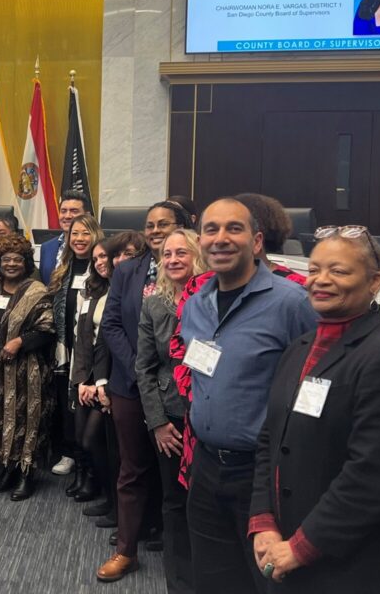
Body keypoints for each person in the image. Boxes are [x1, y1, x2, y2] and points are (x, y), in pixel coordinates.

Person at [249, 226, 380, 593]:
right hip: (287, 548)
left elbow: (372, 474)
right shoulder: (300, 347)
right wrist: (262, 521)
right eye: (315, 269)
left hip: (360, 563)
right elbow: (270, 439)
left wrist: (301, 547)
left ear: (375, 282)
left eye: (339, 271)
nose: (320, 280)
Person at [180, 198, 316, 594]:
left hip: (261, 475)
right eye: (211, 229)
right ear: (201, 240)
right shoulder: (196, 304)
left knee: (268, 583)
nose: (221, 239)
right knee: (212, 579)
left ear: (257, 242)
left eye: (233, 229)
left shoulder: (292, 303)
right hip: (204, 467)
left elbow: (316, 383)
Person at [96, 201, 191, 582]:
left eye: (163, 224)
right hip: (131, 387)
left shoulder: (198, 275)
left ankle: (179, 552)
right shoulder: (127, 271)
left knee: (176, 475)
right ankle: (126, 551)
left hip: (182, 391)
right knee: (131, 469)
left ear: (183, 228)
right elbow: (112, 324)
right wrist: (140, 370)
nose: (154, 230)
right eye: (149, 225)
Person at [135, 228, 208, 594]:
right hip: (172, 417)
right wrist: (158, 423)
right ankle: (179, 582)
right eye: (168, 254)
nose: (174, 259)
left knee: (206, 501)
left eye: (183, 252)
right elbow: (144, 368)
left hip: (210, 417)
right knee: (174, 501)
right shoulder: (154, 303)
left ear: (198, 256)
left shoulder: (214, 299)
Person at [0, 233, 56, 501]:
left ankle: (26, 474)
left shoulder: (36, 291)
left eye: (17, 259)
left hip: (26, 372)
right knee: (0, 419)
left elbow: (47, 330)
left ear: (26, 262)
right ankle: (8, 468)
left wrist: (20, 341)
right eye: (5, 259)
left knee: (26, 421)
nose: (11, 264)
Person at [48, 213, 104, 490]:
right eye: (74, 234)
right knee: (65, 404)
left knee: (85, 408)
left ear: (95, 236)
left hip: (92, 352)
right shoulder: (62, 270)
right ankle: (71, 454)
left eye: (85, 233)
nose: (79, 239)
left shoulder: (103, 270)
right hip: (63, 350)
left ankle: (89, 468)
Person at [70, 241, 115, 521]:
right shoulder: (91, 290)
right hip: (86, 376)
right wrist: (81, 380)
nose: (100, 262)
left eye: (105, 256)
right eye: (96, 257)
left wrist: (101, 381)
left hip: (110, 378)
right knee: (84, 440)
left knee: (97, 440)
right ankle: (109, 497)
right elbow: (82, 339)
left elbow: (109, 344)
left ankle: (116, 501)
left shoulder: (123, 291)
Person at [234, 193, 306, 285]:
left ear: (257, 240)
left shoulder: (297, 287)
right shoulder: (211, 280)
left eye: (235, 229)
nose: (220, 238)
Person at [39, 189, 94, 285]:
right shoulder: (46, 248)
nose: (67, 216)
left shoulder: (97, 246)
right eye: (63, 211)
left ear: (87, 215)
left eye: (74, 211)